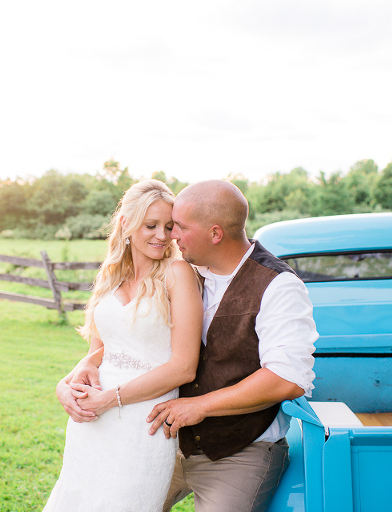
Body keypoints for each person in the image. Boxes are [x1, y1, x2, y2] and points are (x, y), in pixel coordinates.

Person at [144, 180, 318, 512]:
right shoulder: (180, 271)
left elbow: (287, 378)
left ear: (215, 233)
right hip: (167, 444)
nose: (170, 235)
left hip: (241, 452)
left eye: (179, 226)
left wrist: (199, 406)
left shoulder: (278, 286)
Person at [43, 179, 203, 512]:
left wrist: (109, 399)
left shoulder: (178, 274)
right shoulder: (111, 275)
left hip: (144, 422)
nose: (162, 235)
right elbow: (101, 350)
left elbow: (184, 366)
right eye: (151, 225)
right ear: (125, 224)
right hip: (92, 422)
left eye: (169, 226)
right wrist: (66, 383)